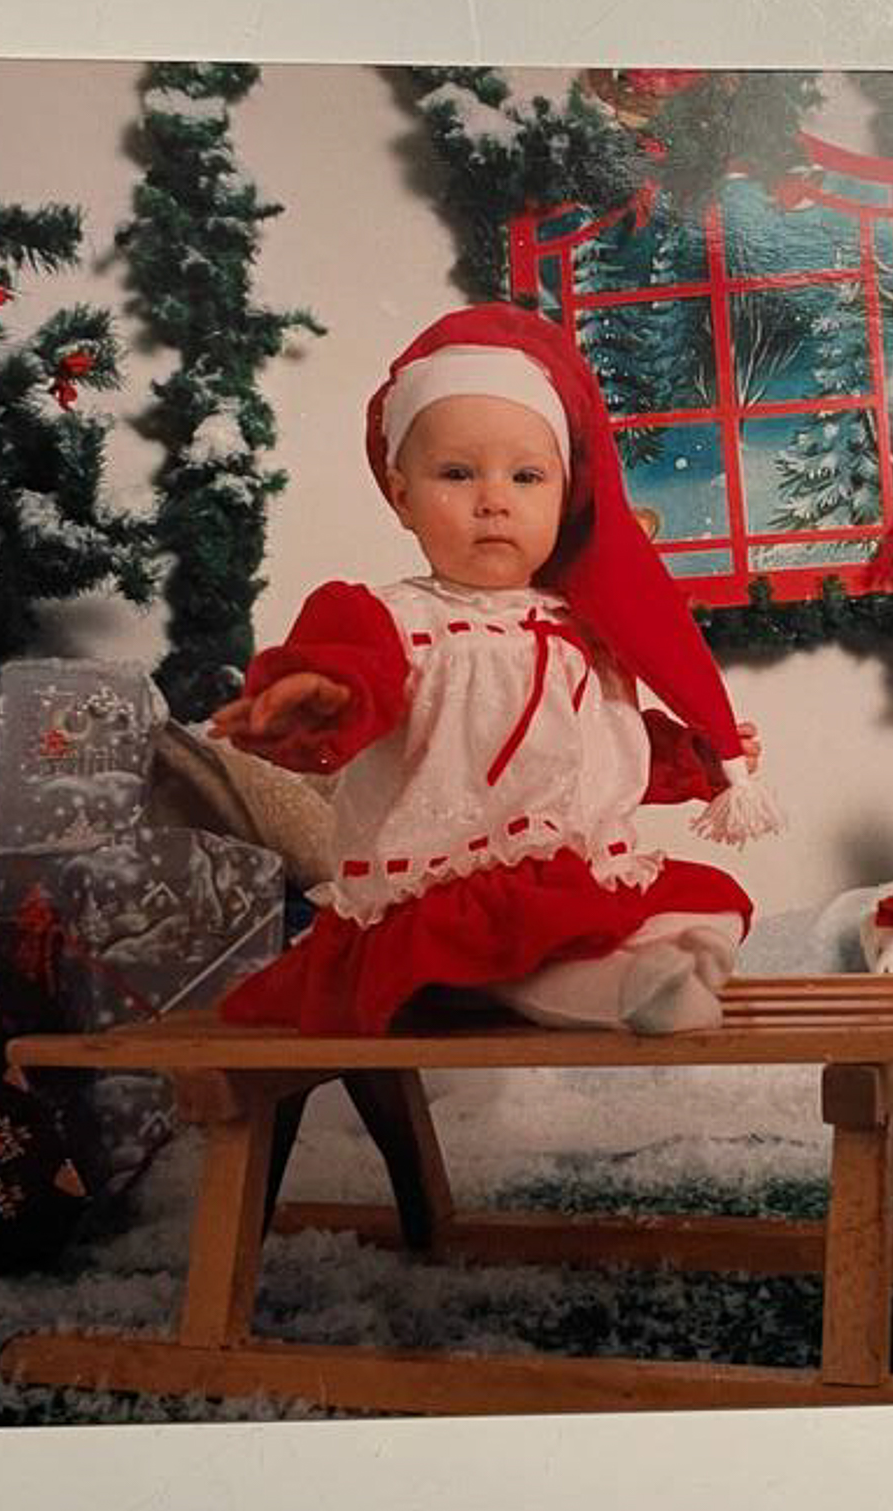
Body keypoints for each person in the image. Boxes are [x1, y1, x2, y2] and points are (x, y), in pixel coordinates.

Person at [211, 303, 781, 1036]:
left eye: (526, 476)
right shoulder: (387, 620)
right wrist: (319, 696)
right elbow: (356, 683)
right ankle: (613, 989)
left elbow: (603, 743)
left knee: (711, 902)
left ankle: (652, 969)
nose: (493, 501)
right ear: (402, 495)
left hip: (571, 877)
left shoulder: (585, 631)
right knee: (530, 944)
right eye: (456, 473)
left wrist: (694, 757)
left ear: (563, 494)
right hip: (448, 892)